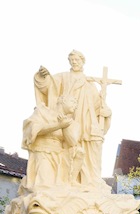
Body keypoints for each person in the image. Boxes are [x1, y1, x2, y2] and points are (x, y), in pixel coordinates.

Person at [34, 50, 112, 190]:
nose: (74, 62)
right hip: (67, 118)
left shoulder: (90, 83)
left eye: (77, 60)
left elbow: (98, 106)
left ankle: (90, 180)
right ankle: (67, 180)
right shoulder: (63, 77)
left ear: (83, 61)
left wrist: (107, 113)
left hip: (85, 121)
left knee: (87, 149)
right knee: (69, 148)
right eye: (72, 60)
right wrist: (42, 76)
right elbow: (49, 85)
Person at [21, 95, 80, 189]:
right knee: (44, 185)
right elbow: (34, 130)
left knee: (58, 189)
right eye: (73, 102)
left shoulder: (70, 122)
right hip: (43, 152)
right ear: (63, 101)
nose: (75, 106)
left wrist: (64, 127)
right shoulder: (43, 113)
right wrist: (58, 125)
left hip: (59, 155)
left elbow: (72, 142)